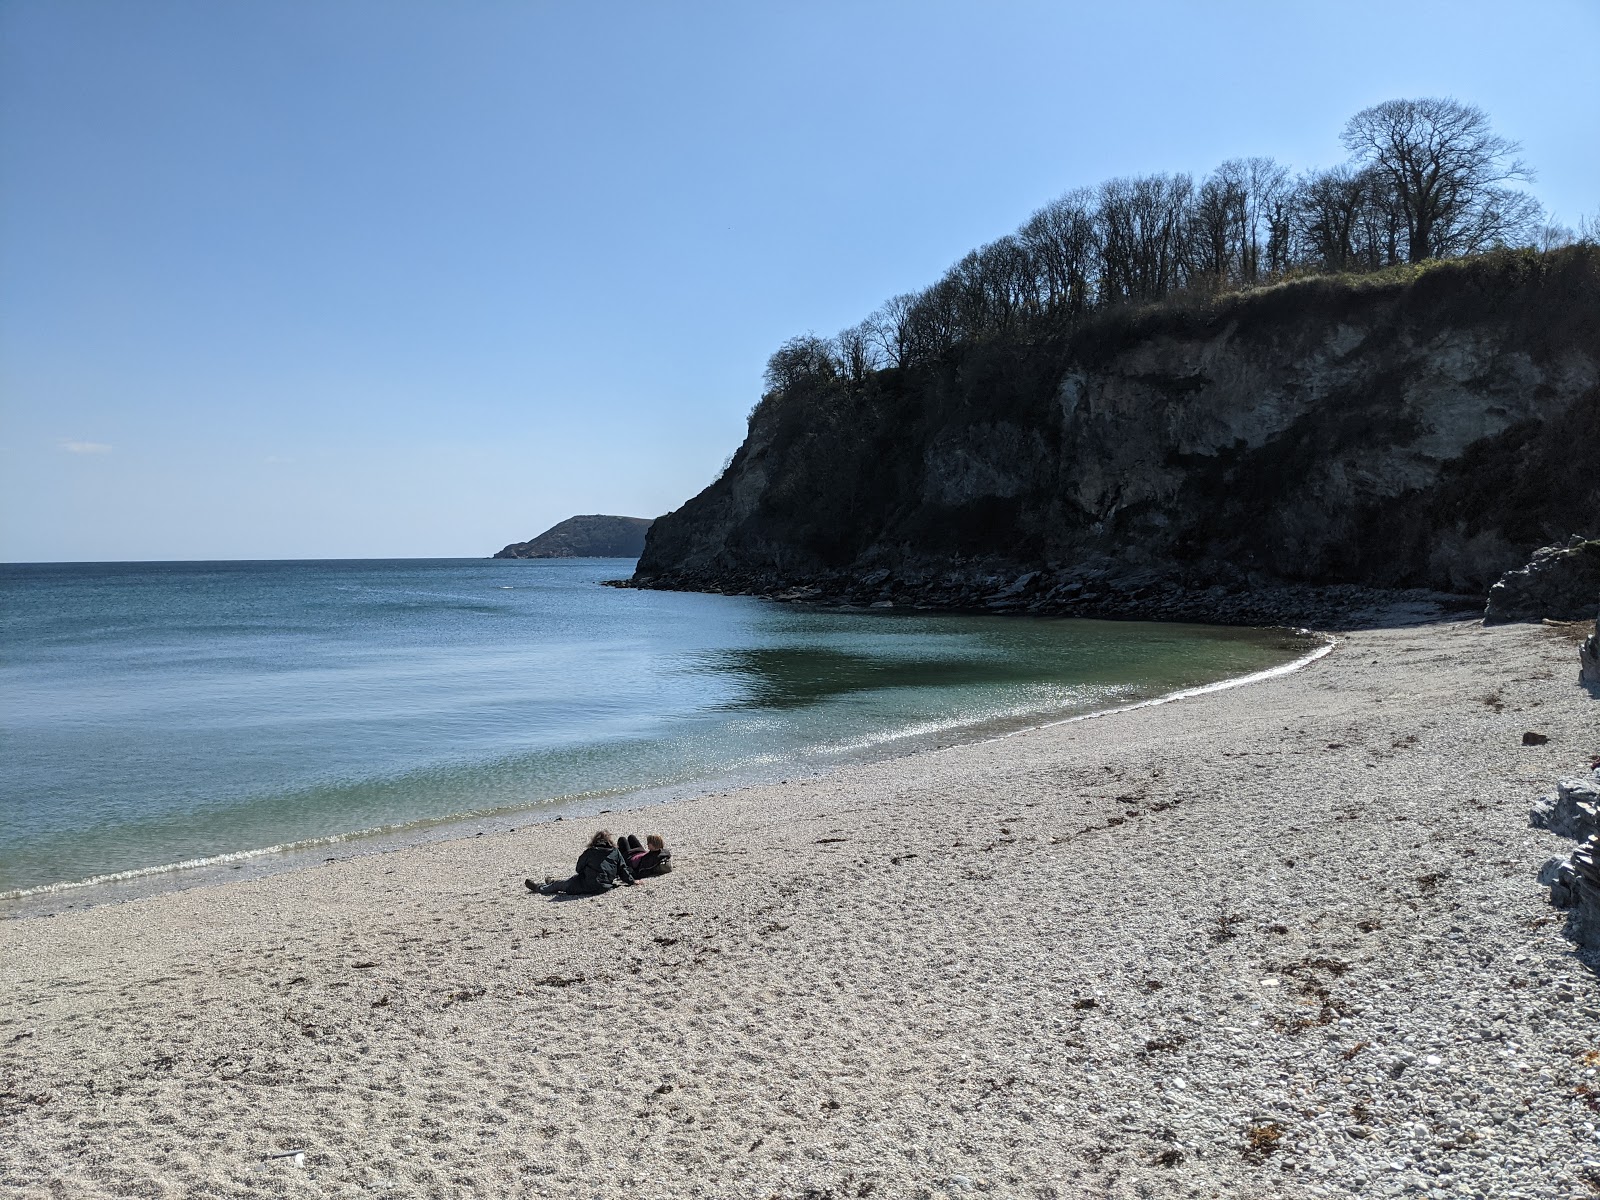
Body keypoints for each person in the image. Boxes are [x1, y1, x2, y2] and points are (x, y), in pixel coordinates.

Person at [526, 830, 635, 895]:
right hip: (606, 886)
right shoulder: (615, 852)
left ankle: (539, 888)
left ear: (594, 841)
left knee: (560, 885)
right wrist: (632, 882)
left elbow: (578, 869)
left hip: (587, 885)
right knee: (565, 882)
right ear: (610, 841)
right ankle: (551, 882)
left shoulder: (590, 852)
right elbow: (622, 869)